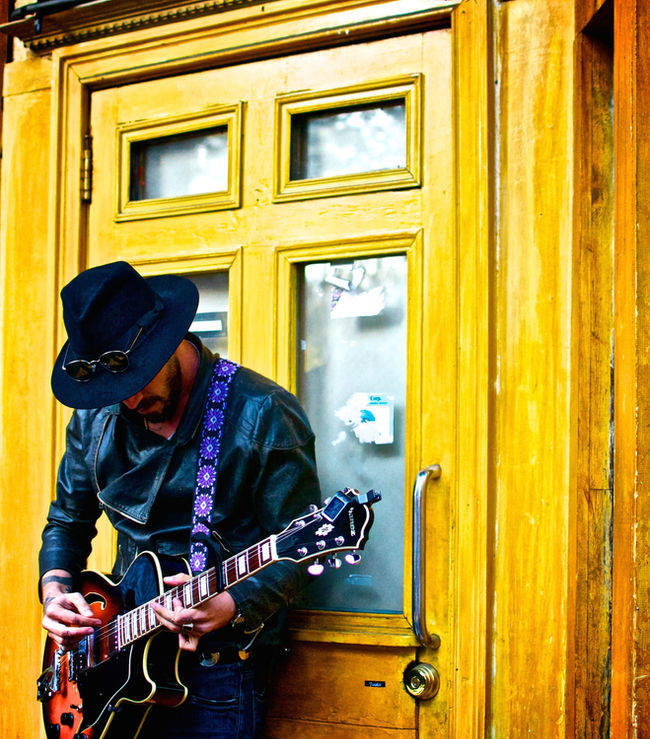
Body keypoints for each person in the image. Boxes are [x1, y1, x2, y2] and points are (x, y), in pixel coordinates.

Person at [39, 260, 321, 738]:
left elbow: (303, 548)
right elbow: (67, 521)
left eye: (136, 382)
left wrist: (233, 602)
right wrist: (55, 593)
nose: (130, 402)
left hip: (216, 673)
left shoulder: (262, 414)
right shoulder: (95, 416)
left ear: (166, 342)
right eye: (115, 392)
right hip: (113, 667)